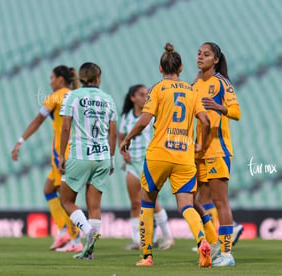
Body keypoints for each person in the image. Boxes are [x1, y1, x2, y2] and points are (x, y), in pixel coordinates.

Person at [120, 43, 212, 267]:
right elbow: (206, 121)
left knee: (147, 203)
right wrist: (200, 144)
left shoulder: (158, 89)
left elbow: (143, 121)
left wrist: (127, 138)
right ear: (180, 68)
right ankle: (202, 242)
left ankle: (147, 256)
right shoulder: (191, 91)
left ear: (160, 69)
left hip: (159, 155)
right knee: (187, 206)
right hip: (184, 156)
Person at [11, 65, 82, 252]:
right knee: (49, 189)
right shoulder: (77, 95)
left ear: (60, 79)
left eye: (52, 77)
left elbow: (37, 120)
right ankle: (63, 231)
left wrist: (20, 141)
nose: (50, 81)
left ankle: (74, 240)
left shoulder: (55, 97)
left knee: (65, 198)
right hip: (74, 150)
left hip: (61, 152)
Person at [58, 62, 118, 260]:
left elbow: (65, 128)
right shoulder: (108, 99)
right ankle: (89, 252)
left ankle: (87, 231)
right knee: (95, 206)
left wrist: (60, 155)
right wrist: (111, 158)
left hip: (80, 155)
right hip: (102, 156)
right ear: (98, 78)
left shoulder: (72, 97)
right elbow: (113, 132)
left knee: (66, 199)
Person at [192, 42, 241, 266]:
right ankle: (213, 241)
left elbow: (236, 113)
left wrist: (219, 107)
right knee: (197, 200)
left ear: (216, 60)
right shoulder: (194, 84)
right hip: (198, 149)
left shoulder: (222, 83)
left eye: (206, 54)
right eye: (199, 53)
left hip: (217, 149)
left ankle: (228, 253)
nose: (201, 57)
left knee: (220, 200)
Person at [118, 84, 174, 251]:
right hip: (131, 164)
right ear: (132, 98)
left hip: (148, 161)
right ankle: (139, 240)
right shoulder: (127, 116)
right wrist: (123, 153)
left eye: (147, 94)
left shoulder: (152, 114)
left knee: (152, 201)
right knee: (135, 204)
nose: (146, 97)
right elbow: (121, 136)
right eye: (142, 95)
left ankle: (168, 237)